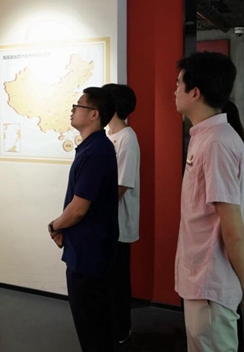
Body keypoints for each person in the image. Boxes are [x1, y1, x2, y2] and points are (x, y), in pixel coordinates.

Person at [174, 51, 244, 352]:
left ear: (195, 93)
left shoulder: (216, 142)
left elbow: (232, 223)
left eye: (178, 84)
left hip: (210, 279)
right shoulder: (207, 136)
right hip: (203, 274)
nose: (175, 91)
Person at [48, 87, 119, 352]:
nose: (73, 110)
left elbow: (78, 208)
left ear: (94, 114)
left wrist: (54, 225)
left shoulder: (96, 151)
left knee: (92, 325)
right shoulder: (94, 147)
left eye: (78, 105)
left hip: (89, 254)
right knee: (95, 322)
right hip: (89, 249)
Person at [102, 83, 141, 346]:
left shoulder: (127, 138)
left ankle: (121, 329)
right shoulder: (108, 135)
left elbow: (121, 186)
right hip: (106, 222)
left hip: (117, 223)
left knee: (117, 280)